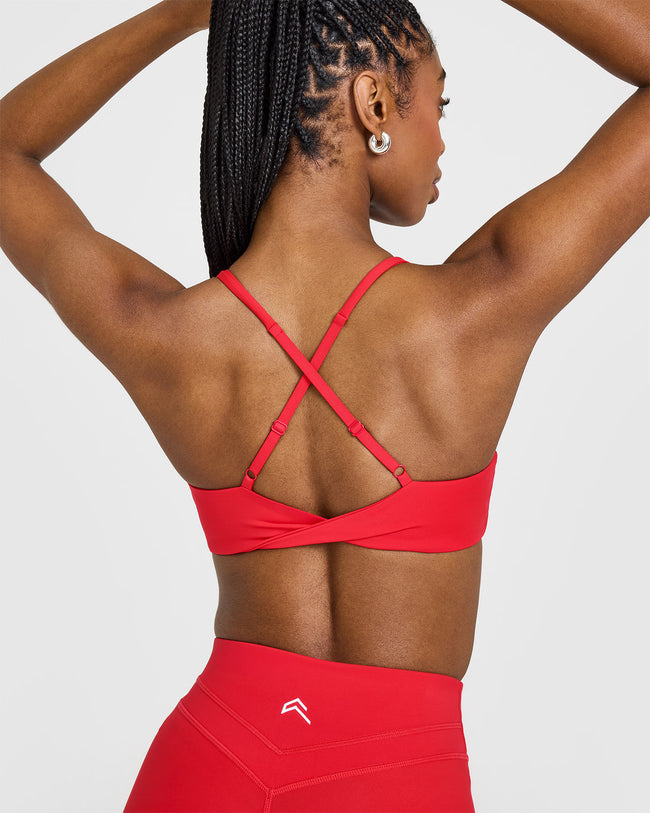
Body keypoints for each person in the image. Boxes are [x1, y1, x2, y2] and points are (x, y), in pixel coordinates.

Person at [0, 0, 647, 811]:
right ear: (373, 102)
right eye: (438, 103)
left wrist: (185, 13)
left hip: (208, 766)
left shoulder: (163, 332)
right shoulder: (479, 309)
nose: (442, 140)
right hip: (398, 778)